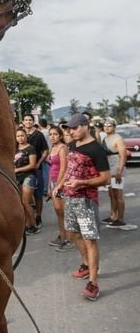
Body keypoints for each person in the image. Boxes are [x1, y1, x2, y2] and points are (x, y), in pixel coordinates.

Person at [55, 114, 110, 301]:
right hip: (70, 198)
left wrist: (82, 183)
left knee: (89, 239)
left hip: (86, 200)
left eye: (75, 127)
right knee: (73, 233)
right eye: (69, 128)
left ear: (85, 126)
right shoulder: (72, 145)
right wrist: (59, 185)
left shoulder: (96, 149)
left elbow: (105, 178)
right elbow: (68, 169)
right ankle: (86, 265)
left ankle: (93, 282)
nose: (71, 131)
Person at [46, 126, 71, 251]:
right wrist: (49, 186)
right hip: (53, 182)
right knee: (59, 212)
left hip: (62, 183)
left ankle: (69, 239)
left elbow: (64, 168)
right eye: (50, 134)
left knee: (65, 212)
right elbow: (51, 168)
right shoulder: (52, 148)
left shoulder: (62, 148)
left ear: (60, 136)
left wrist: (58, 186)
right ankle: (62, 236)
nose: (52, 136)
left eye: (55, 134)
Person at [22, 115, 49, 228]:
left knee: (38, 195)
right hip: (22, 169)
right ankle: (28, 218)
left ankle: (38, 216)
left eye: (30, 120)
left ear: (33, 122)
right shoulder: (20, 134)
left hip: (36, 168)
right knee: (24, 197)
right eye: (26, 120)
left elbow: (45, 151)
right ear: (23, 122)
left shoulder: (39, 135)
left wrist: (39, 162)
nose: (28, 122)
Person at [100, 119, 127, 228]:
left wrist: (119, 171)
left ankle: (120, 218)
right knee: (111, 194)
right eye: (105, 126)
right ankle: (113, 215)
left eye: (109, 126)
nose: (107, 127)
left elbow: (123, 155)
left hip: (117, 168)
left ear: (114, 127)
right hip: (108, 168)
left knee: (118, 194)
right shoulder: (105, 138)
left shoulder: (118, 138)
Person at [14, 128, 39, 235]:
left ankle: (34, 225)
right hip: (17, 178)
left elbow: (32, 165)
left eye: (22, 135)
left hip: (29, 176)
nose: (20, 138)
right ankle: (27, 225)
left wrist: (17, 170)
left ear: (26, 136)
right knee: (21, 203)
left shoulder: (31, 148)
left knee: (26, 202)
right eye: (18, 136)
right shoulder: (15, 149)